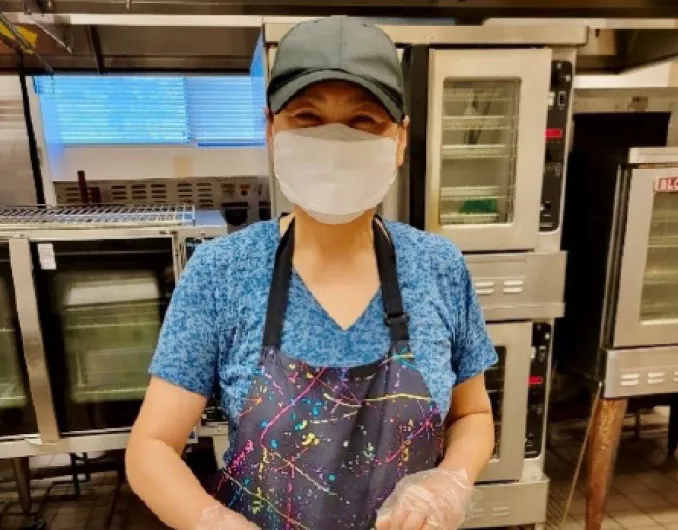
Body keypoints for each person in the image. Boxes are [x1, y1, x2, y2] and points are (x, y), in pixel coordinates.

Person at [126, 15, 497, 530]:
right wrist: (211, 521)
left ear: (401, 139)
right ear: (271, 128)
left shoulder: (438, 267)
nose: (335, 143)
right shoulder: (222, 273)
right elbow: (150, 447)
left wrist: (450, 481)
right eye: (307, 117)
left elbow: (473, 416)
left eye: (364, 120)